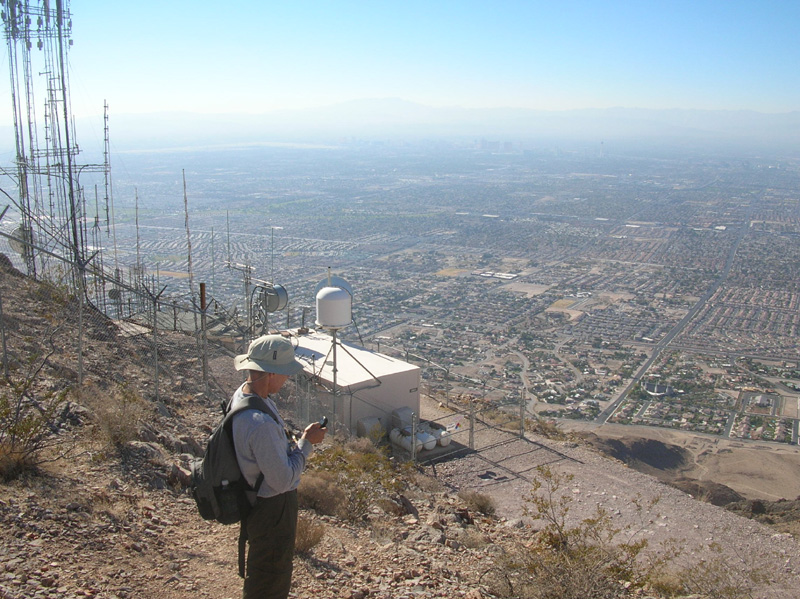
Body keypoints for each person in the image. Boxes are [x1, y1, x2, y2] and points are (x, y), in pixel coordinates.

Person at [230, 333, 326, 599]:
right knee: (271, 576)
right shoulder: (259, 422)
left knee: (264, 569)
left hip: (254, 499)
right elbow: (283, 480)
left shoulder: (243, 396)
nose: (287, 379)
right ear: (270, 373)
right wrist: (306, 444)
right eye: (285, 372)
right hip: (272, 507)